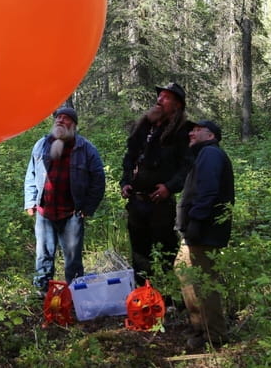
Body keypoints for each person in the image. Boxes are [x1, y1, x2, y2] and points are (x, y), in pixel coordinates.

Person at [23, 106, 106, 297]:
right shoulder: (42, 144)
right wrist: (30, 201)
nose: (60, 120)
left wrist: (88, 207)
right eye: (58, 117)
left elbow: (98, 180)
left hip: (71, 214)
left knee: (73, 258)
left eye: (66, 118)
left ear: (74, 125)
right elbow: (31, 174)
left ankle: (75, 294)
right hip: (45, 212)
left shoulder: (86, 149)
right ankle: (42, 291)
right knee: (43, 256)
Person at [120, 82, 193, 286]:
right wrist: (125, 182)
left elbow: (186, 166)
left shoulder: (182, 131)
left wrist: (169, 187)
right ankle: (143, 293)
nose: (159, 100)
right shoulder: (144, 127)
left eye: (166, 97)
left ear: (177, 105)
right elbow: (129, 158)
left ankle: (168, 295)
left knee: (166, 252)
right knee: (139, 252)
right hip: (137, 203)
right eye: (160, 96)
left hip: (160, 205)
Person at [175, 120, 235, 350]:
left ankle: (215, 335)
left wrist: (197, 221)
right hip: (195, 229)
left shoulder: (211, 154)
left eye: (197, 130)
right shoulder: (201, 155)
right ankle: (199, 326)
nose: (191, 133)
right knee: (184, 270)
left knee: (204, 281)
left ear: (211, 136)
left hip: (205, 229)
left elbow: (208, 191)